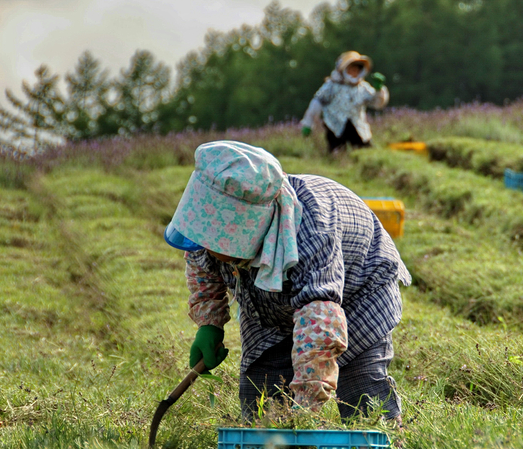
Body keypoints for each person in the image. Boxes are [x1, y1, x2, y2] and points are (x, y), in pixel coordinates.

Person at [164, 140, 410, 423]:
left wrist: (303, 412)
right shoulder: (214, 240)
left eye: (214, 240)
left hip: (357, 294)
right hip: (273, 302)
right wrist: (209, 323)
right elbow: (201, 261)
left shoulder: (311, 232)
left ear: (247, 232)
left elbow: (321, 327)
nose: (205, 246)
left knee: (363, 389)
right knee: (261, 391)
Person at [300, 51, 389, 152]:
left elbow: (377, 104)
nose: (354, 73)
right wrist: (308, 124)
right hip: (335, 126)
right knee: (337, 151)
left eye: (356, 70)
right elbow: (316, 103)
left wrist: (379, 91)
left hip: (357, 126)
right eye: (351, 70)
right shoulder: (332, 86)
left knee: (366, 151)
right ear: (343, 69)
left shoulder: (362, 88)